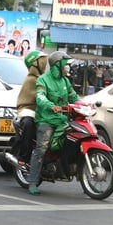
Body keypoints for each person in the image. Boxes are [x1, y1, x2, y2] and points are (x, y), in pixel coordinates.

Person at [27, 51, 80, 195]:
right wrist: (51, 106)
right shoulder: (43, 80)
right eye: (66, 64)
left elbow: (74, 97)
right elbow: (40, 97)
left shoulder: (65, 81)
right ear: (57, 64)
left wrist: (85, 105)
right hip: (46, 119)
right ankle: (32, 181)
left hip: (62, 119)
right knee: (41, 149)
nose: (68, 67)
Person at [14, 50, 48, 165]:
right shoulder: (31, 79)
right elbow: (38, 97)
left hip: (42, 110)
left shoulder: (45, 79)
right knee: (28, 124)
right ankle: (24, 156)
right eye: (42, 61)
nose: (45, 63)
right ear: (35, 64)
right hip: (28, 109)